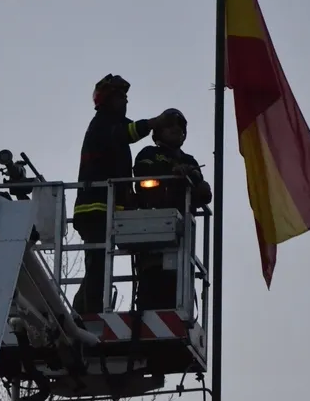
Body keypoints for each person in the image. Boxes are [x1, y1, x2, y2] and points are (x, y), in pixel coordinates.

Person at [71, 74, 169, 314]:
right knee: (96, 264)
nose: (126, 101)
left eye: (126, 97)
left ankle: (83, 308)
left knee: (97, 264)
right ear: (107, 100)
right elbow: (128, 132)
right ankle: (88, 311)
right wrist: (155, 122)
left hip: (106, 208)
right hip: (94, 208)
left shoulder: (110, 125)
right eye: (120, 97)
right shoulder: (103, 125)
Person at [131, 108, 212, 310]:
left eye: (180, 126)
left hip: (181, 239)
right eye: (170, 126)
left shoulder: (190, 161)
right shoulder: (149, 154)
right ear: (158, 131)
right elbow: (142, 176)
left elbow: (204, 193)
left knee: (178, 292)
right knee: (151, 289)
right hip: (152, 235)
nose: (176, 130)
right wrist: (170, 173)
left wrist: (192, 177)